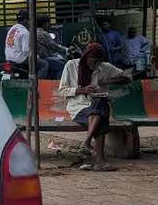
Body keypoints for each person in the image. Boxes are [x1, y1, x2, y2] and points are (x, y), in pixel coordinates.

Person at [58, 42, 129, 171]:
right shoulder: (71, 65)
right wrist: (82, 90)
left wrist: (106, 81)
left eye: (98, 61)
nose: (95, 64)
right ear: (85, 56)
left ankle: (87, 142)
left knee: (99, 101)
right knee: (101, 116)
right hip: (78, 107)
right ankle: (99, 161)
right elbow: (62, 90)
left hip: (97, 105)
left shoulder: (105, 67)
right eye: (92, 60)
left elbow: (126, 78)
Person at [36, 15, 67, 79]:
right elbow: (54, 46)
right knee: (63, 65)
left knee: (58, 58)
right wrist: (66, 50)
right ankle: (58, 84)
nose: (49, 25)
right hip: (44, 58)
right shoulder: (43, 33)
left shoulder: (33, 32)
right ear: (44, 23)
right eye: (48, 23)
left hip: (39, 57)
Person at [5, 9, 31, 76]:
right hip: (19, 59)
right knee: (43, 64)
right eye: (29, 20)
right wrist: (35, 56)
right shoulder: (25, 32)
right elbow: (26, 51)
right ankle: (36, 83)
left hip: (8, 58)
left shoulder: (12, 29)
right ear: (25, 20)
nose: (30, 22)